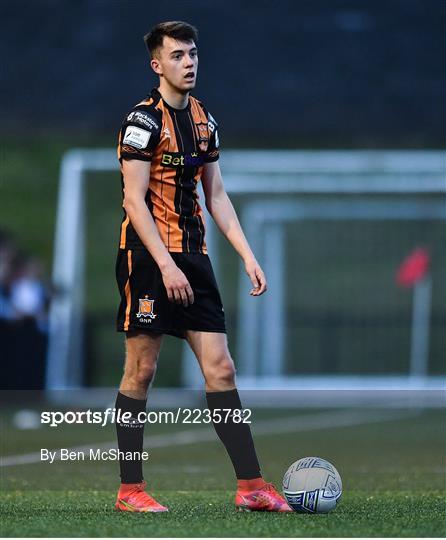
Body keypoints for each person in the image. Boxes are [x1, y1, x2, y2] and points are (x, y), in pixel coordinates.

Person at [114, 20, 291, 513]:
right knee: (141, 371)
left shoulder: (204, 119)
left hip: (195, 258)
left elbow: (215, 193)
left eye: (192, 54)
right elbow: (133, 201)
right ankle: (130, 491)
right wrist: (166, 265)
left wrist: (247, 254)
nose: (188, 62)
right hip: (149, 260)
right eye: (177, 55)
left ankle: (251, 487)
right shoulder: (141, 122)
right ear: (157, 64)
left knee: (222, 369)